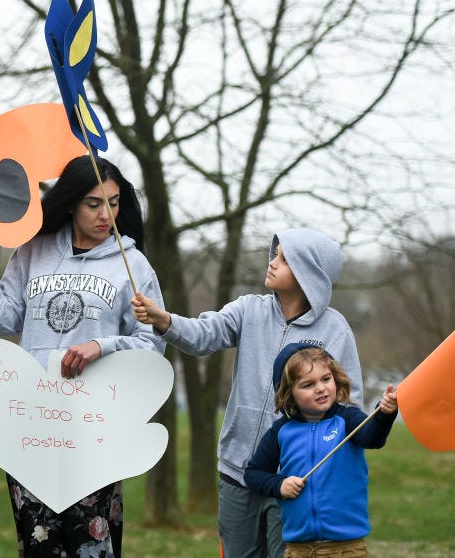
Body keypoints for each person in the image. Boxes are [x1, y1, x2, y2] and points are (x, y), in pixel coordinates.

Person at [0, 155, 165, 557]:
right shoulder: (33, 251)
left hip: (95, 426)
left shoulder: (131, 263)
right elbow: (2, 319)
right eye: (94, 203)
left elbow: (152, 342)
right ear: (70, 202)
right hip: (33, 422)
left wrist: (101, 346)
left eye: (115, 202)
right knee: (38, 542)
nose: (107, 214)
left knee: (90, 543)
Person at [131, 228, 363, 558]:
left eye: (283, 259)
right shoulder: (248, 309)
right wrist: (164, 320)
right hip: (237, 472)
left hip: (293, 480)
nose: (272, 263)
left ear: (307, 274)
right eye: (275, 254)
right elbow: (202, 335)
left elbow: (349, 404)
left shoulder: (335, 329)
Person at [244, 343, 397, 557]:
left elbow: (372, 437)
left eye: (326, 379)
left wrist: (384, 415)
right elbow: (253, 473)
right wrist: (280, 485)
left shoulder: (347, 418)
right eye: (308, 384)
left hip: (347, 549)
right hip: (298, 550)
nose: (321, 388)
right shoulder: (282, 431)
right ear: (289, 393)